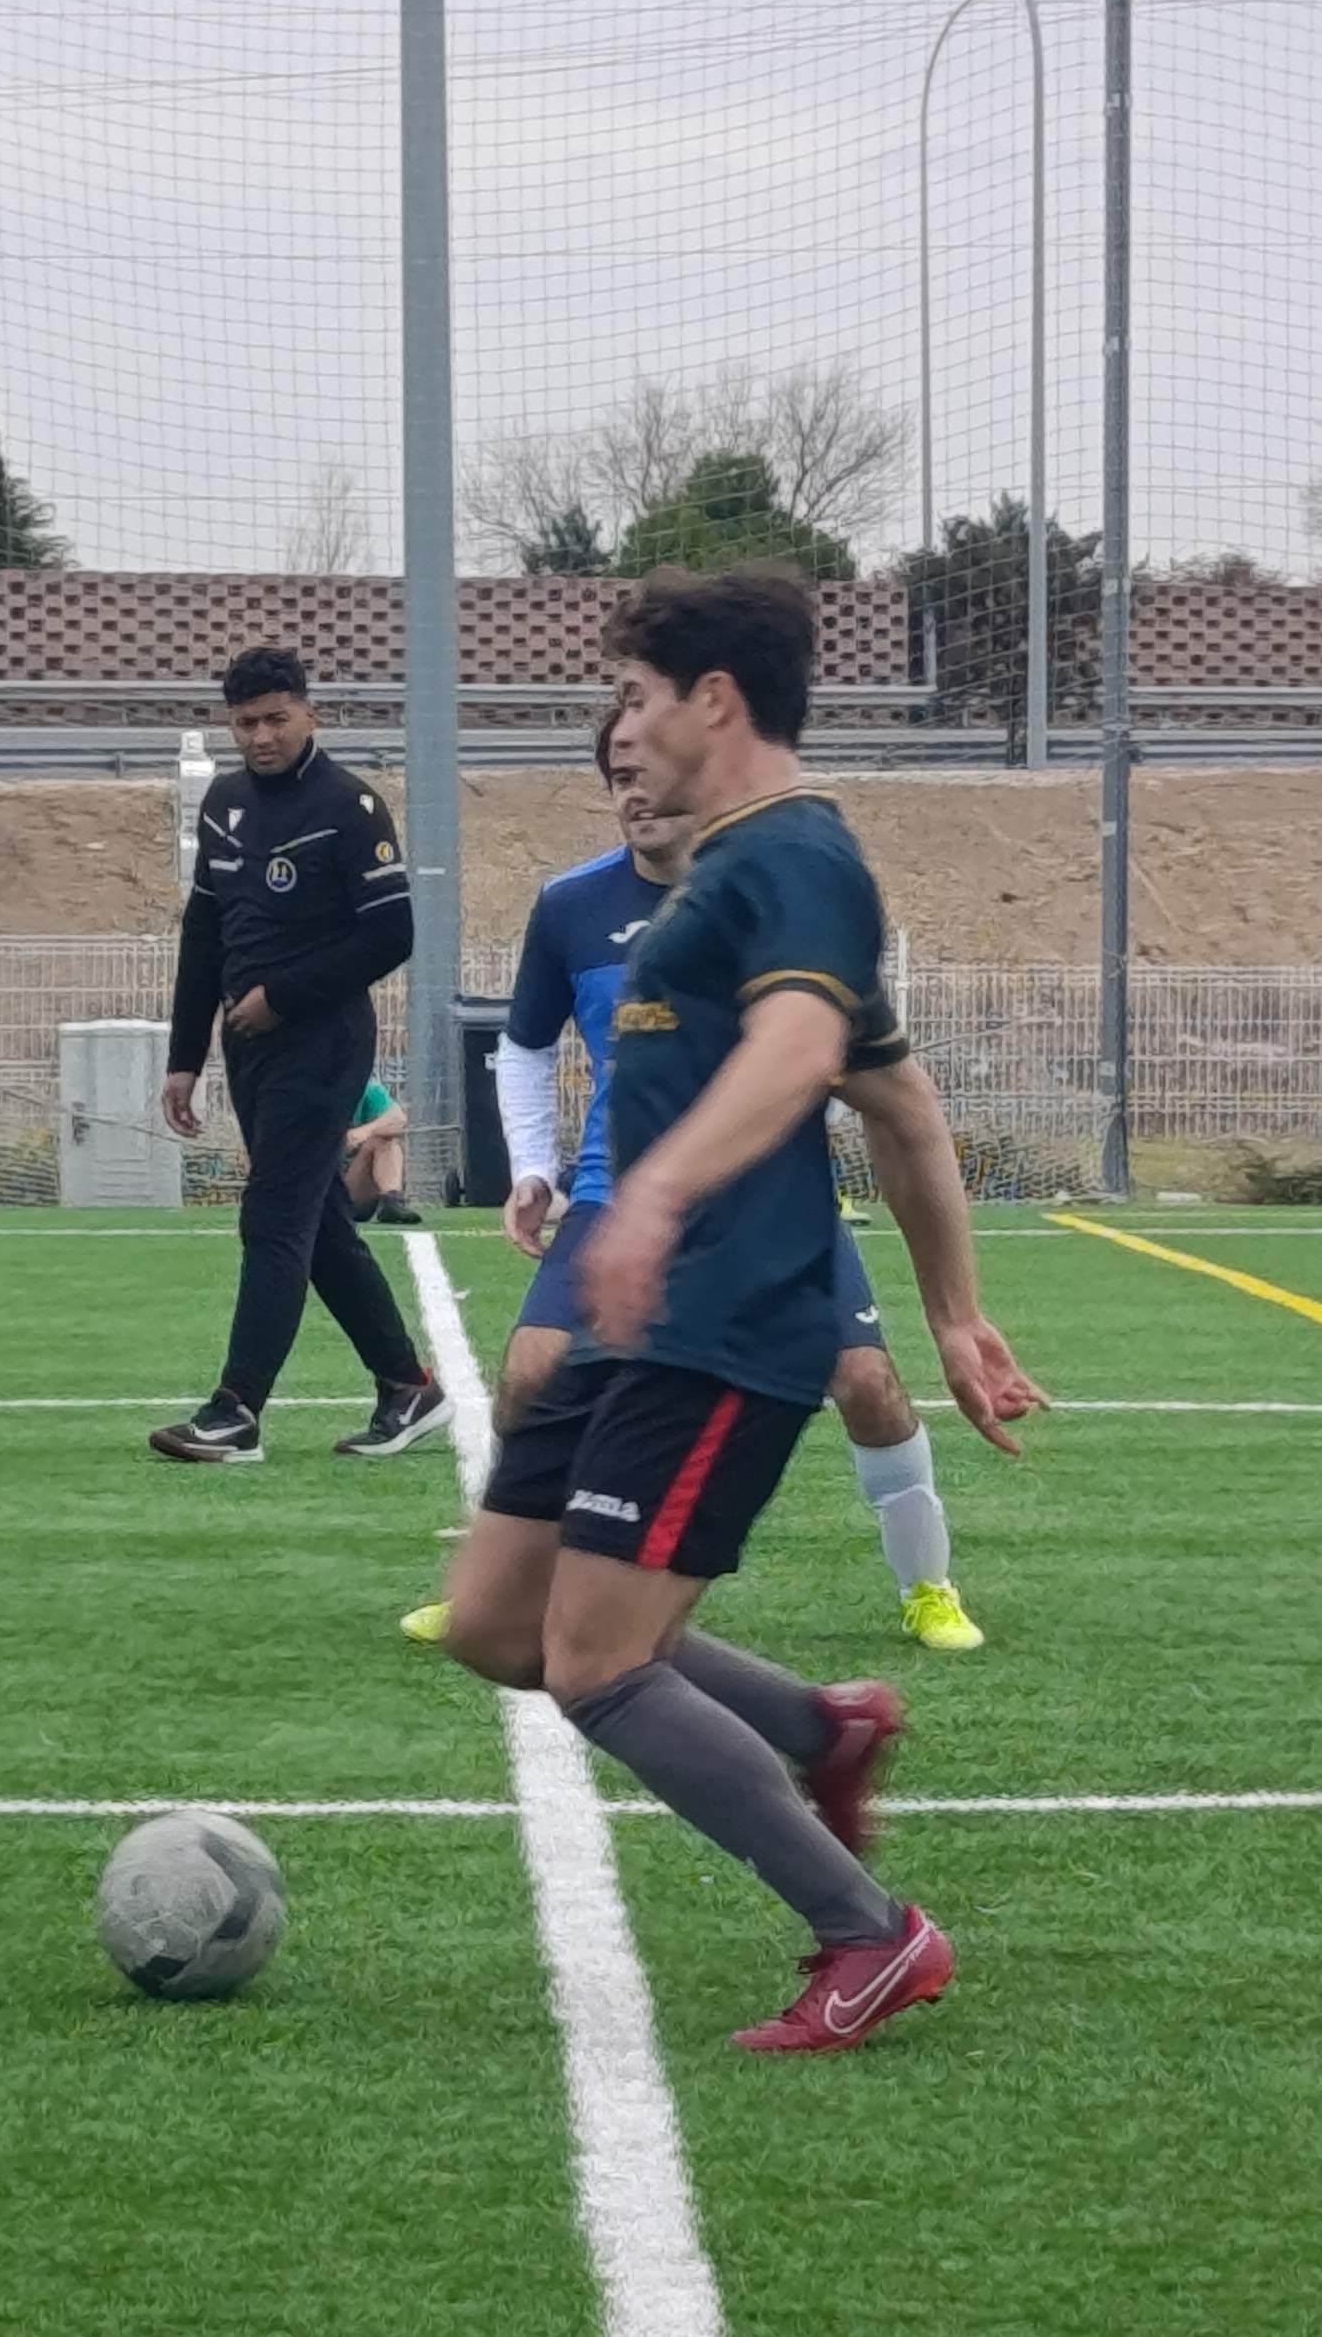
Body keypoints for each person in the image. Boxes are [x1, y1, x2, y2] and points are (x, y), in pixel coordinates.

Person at [431, 567, 1043, 2053]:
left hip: (726, 1324)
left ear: (714, 700)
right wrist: (957, 1315)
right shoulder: (721, 874)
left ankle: (875, 1936)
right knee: (499, 1625)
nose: (621, 729)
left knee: (596, 1663)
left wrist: (650, 1197)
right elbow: (906, 1109)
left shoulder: (800, 857)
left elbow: (803, 1049)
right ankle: (824, 1728)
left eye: (636, 697)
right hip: (627, 1316)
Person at [407, 707, 987, 1653]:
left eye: (645, 769)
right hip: (617, 1195)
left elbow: (868, 1077)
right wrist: (533, 1167)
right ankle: (516, 1582)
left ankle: (929, 1585)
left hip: (772, 1203)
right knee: (532, 1371)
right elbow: (525, 1044)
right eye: (615, 778)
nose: (633, 793)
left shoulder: (777, 897)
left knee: (867, 1382)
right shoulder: (570, 906)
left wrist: (955, 1313)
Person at [147, 645, 446, 1465]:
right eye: (245, 723)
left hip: (323, 1042)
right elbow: (204, 932)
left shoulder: (349, 806)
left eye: (276, 719)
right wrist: (184, 1055)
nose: (261, 736)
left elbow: (391, 935)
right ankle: (408, 1386)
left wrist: (281, 996)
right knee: (317, 1226)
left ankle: (235, 1410)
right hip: (250, 1049)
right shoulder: (224, 803)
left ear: (311, 714)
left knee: (273, 1217)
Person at [341, 1080, 417, 1224]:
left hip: (350, 1191)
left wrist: (364, 1132)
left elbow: (398, 1119)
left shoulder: (367, 1087)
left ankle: (392, 1201)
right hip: (312, 1188)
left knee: (384, 1140)